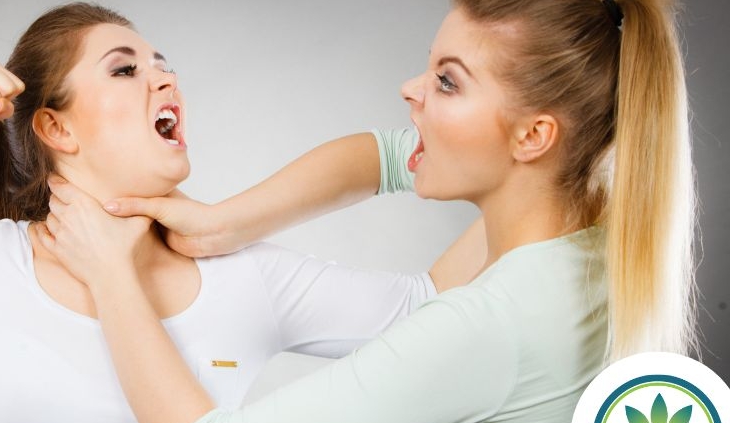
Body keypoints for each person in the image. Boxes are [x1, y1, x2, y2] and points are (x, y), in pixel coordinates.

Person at [0, 3, 486, 423]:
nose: (165, 75)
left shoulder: (247, 280)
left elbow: (440, 305)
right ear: (57, 128)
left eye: (162, 61)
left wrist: (466, 157)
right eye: (126, 67)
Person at [40, 0, 698, 421]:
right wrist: (223, 222)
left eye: (447, 81)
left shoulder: (491, 326)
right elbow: (389, 154)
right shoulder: (595, 219)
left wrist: (111, 276)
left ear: (533, 137)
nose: (410, 90)